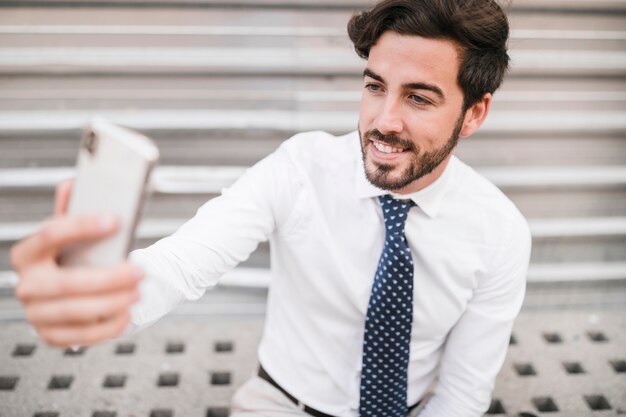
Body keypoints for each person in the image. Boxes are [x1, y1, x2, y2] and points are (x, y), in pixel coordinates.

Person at [10, 0, 531, 416]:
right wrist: (97, 301)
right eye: (375, 87)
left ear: (473, 113)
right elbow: (184, 262)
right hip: (281, 403)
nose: (384, 121)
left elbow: (463, 394)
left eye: (419, 98)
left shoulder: (499, 231)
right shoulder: (300, 168)